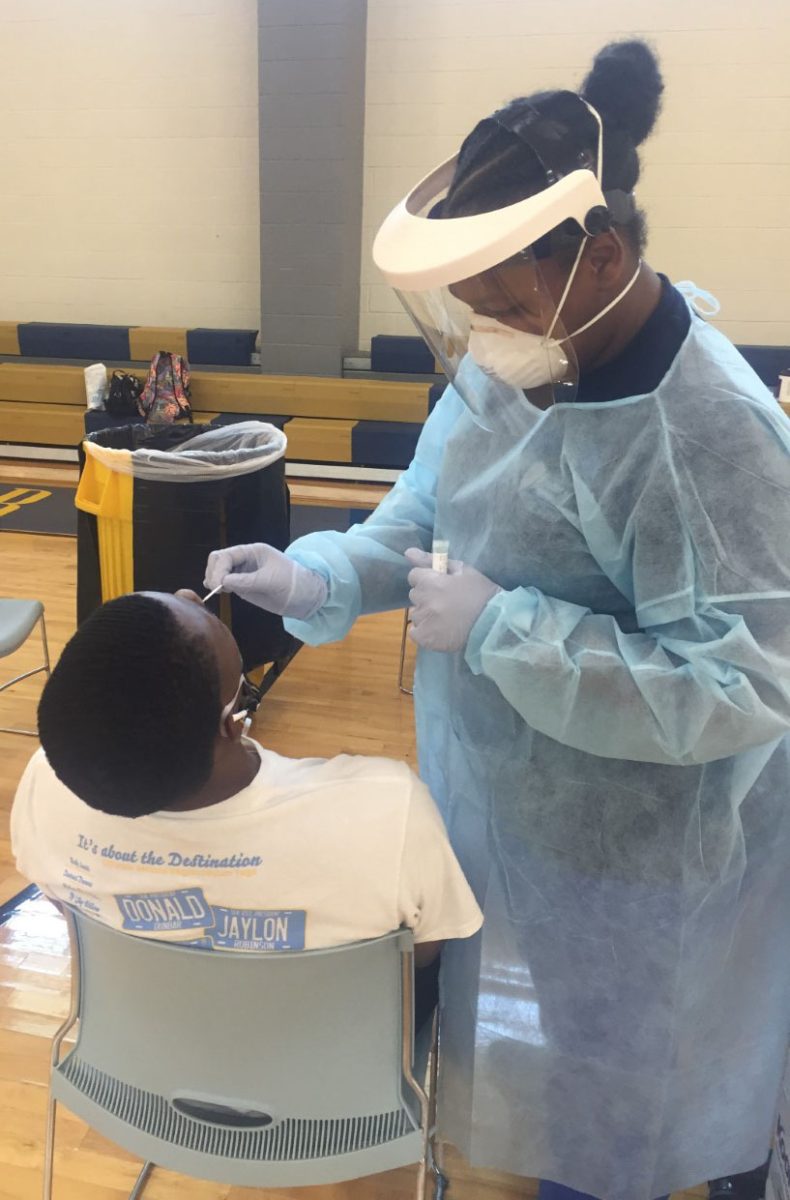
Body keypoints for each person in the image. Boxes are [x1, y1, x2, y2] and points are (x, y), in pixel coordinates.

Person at [203, 39, 790, 1200]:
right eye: (467, 308)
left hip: (649, 841)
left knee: (644, 1067)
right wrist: (316, 576)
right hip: (508, 801)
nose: (482, 333)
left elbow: (740, 687)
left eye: (503, 303)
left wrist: (504, 631)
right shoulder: (510, 363)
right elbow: (426, 518)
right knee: (568, 1037)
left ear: (603, 258)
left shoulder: (706, 436)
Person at [11, 591, 482, 1030]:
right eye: (193, 613)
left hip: (154, 1053)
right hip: (340, 1082)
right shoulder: (387, 808)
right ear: (231, 722)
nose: (190, 596)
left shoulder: (43, 785)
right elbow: (424, 955)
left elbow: (68, 912)